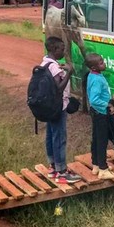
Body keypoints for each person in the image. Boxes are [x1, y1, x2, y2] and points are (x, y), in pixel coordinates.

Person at [42, 37, 81, 184]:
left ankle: (53, 167)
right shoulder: (54, 68)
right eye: (62, 48)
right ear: (54, 49)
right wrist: (69, 72)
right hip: (58, 107)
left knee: (51, 135)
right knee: (60, 138)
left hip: (49, 107)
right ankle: (62, 172)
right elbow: (58, 89)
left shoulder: (45, 62)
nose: (64, 51)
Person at [85, 53, 114, 180]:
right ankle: (103, 169)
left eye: (103, 61)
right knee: (102, 140)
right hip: (100, 113)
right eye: (101, 63)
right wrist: (108, 105)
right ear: (94, 67)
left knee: (96, 138)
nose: (104, 63)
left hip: (96, 112)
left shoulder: (93, 75)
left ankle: (96, 164)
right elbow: (94, 99)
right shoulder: (96, 79)